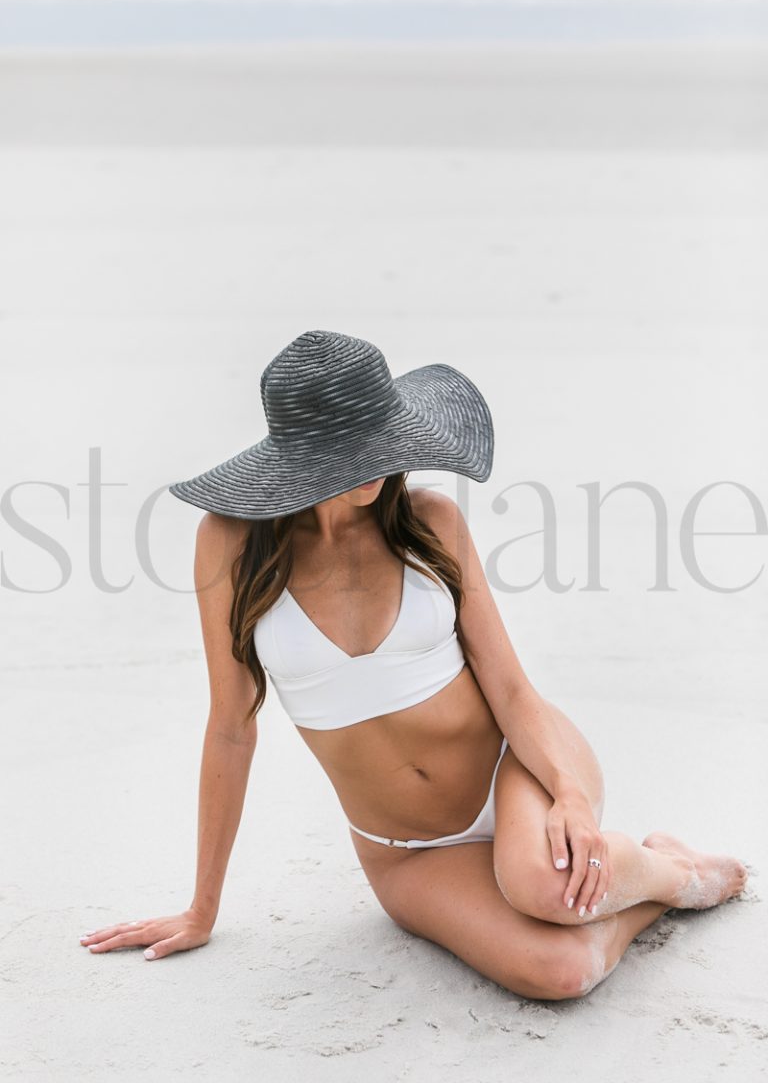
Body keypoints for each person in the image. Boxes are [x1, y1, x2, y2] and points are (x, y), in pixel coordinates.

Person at [78, 329, 748, 1000]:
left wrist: (568, 792)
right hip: (406, 850)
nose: (380, 460)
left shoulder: (431, 521)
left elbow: (511, 687)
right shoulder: (229, 544)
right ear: (299, 457)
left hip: (514, 766)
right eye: (354, 449)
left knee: (541, 887)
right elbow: (231, 725)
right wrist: (202, 908)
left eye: (384, 437)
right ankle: (643, 885)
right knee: (562, 973)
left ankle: (673, 876)